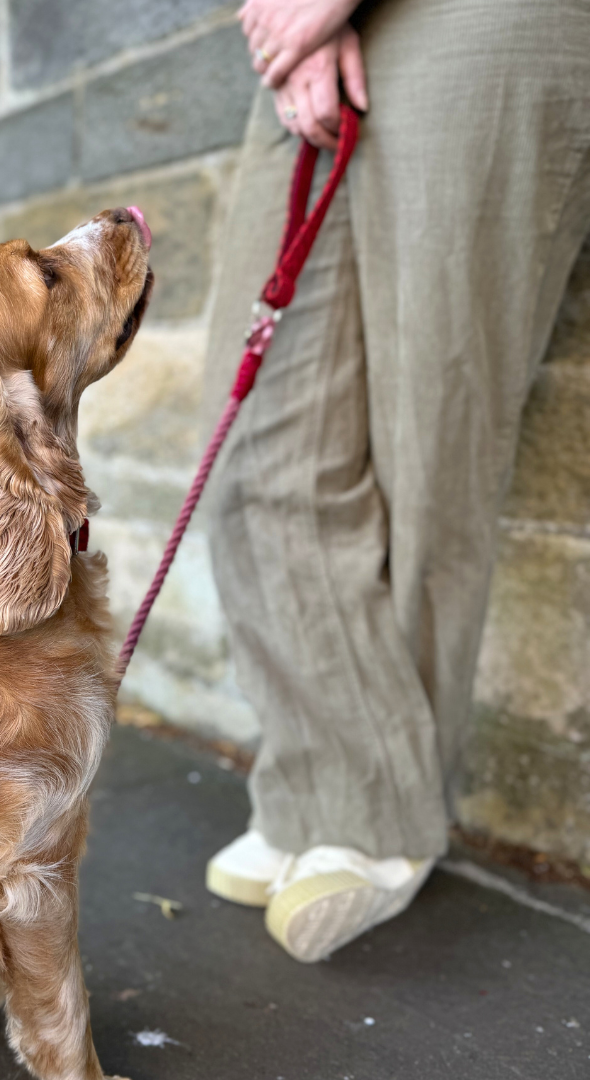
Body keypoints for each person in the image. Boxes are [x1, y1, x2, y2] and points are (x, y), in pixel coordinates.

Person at [203, 0, 590, 962]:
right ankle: (322, 783)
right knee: (255, 434)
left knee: (434, 425)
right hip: (305, 32)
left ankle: (380, 818)